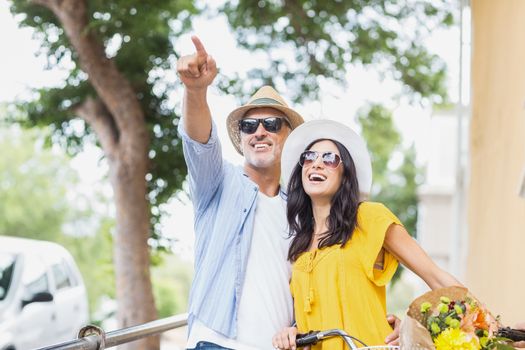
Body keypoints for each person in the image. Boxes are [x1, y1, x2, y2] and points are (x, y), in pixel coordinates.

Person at [177, 36, 401, 350]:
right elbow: (199, 143)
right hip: (216, 342)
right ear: (241, 139)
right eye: (249, 125)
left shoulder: (305, 209)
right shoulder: (217, 183)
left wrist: (383, 320)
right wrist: (195, 90)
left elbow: (331, 277)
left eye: (271, 123)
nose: (259, 132)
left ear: (289, 137)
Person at [272, 120, 463, 350]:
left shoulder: (368, 218)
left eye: (330, 159)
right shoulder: (299, 248)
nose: (317, 164)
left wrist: (484, 330)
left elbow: (436, 277)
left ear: (345, 175)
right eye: (309, 157)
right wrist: (293, 331)